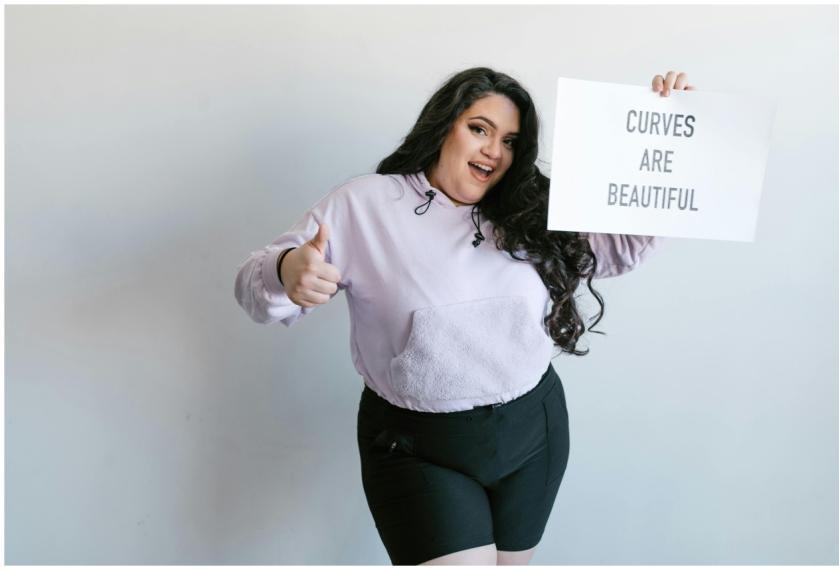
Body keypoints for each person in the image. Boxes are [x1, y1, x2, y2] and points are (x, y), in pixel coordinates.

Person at [235, 68, 695, 565]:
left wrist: (666, 132)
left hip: (532, 432)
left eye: (510, 141)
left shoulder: (530, 206)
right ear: (444, 126)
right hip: (418, 447)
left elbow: (618, 249)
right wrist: (286, 270)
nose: (494, 151)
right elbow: (253, 284)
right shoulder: (364, 204)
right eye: (480, 129)